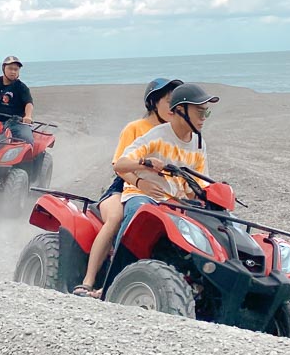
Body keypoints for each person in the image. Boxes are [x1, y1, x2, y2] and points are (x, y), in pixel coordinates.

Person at [72, 78, 183, 298]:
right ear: (153, 102)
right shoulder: (135, 128)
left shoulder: (174, 134)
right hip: (123, 187)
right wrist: (141, 183)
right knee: (115, 218)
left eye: (176, 104)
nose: (173, 108)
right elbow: (119, 166)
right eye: (169, 102)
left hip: (159, 192)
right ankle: (89, 281)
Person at [110, 83, 219, 268]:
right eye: (200, 112)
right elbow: (120, 164)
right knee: (139, 212)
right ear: (180, 110)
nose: (204, 118)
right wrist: (146, 164)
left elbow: (199, 184)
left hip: (176, 202)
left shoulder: (199, 143)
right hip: (144, 195)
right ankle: (114, 276)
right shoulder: (156, 136)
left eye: (206, 113)